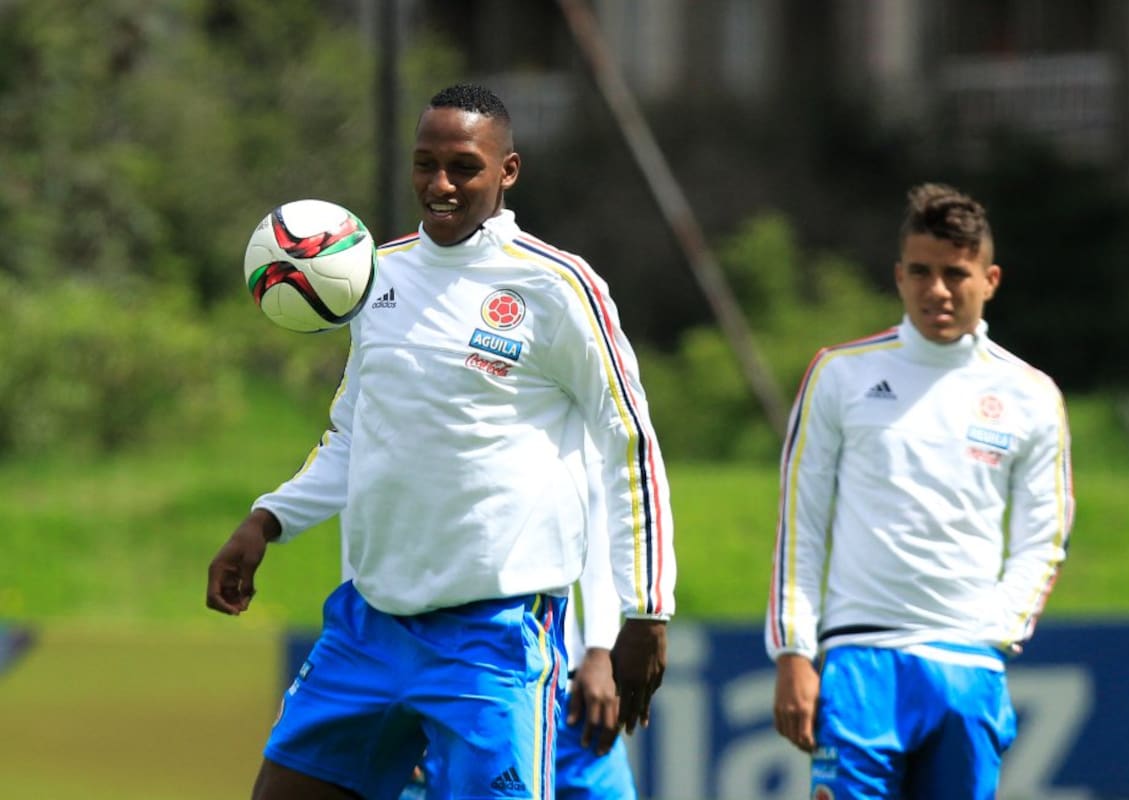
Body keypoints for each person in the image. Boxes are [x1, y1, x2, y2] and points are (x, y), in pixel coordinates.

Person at [206, 83, 675, 800]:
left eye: (464, 166)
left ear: (508, 171)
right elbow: (353, 433)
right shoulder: (373, 276)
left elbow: (628, 446)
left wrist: (643, 611)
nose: (441, 184)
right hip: (369, 625)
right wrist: (267, 520)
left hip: (492, 637)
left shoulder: (558, 288)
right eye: (426, 164)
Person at [766, 182, 1074, 799]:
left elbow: (1044, 534)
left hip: (968, 664)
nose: (937, 290)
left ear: (990, 279)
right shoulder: (841, 373)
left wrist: (992, 632)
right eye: (921, 272)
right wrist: (794, 651)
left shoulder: (1031, 394)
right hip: (860, 661)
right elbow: (801, 522)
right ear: (899, 275)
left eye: (956, 274)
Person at [403, 436, 639, 800]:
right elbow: (371, 551)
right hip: (461, 688)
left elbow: (598, 503)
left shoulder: (547, 391)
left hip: (569, 690)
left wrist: (601, 647)